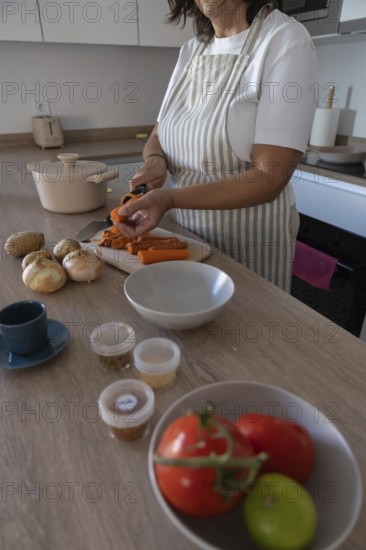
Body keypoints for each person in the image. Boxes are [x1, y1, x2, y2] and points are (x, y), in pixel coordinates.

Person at [117, 0, 317, 292]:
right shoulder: (192, 49)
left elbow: (269, 177)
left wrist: (170, 198)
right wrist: (156, 161)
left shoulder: (284, 37)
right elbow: (158, 137)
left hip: (248, 246)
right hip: (183, 237)